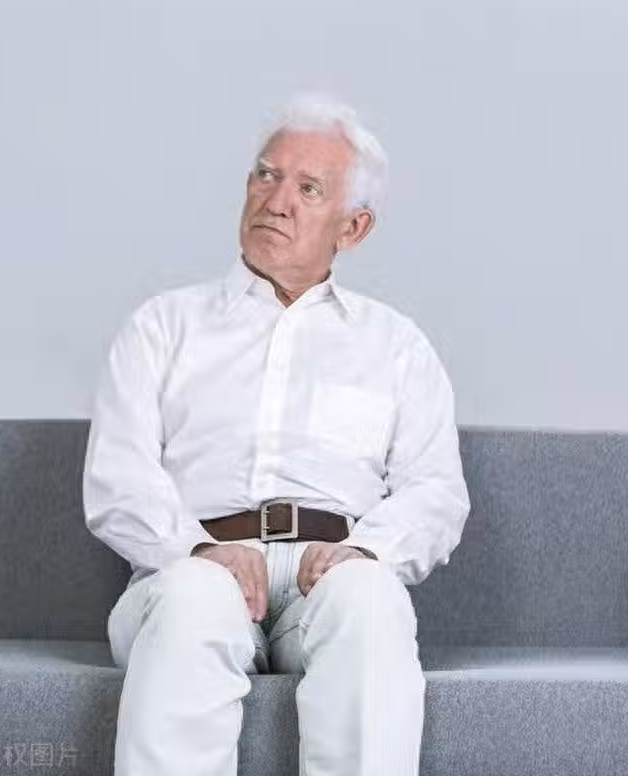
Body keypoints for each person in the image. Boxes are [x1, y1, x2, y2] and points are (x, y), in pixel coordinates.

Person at [84, 95, 470, 776]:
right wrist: (199, 549)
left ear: (354, 227)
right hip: (190, 564)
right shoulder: (163, 327)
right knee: (197, 597)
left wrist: (365, 550)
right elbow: (119, 478)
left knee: (371, 597)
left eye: (308, 188)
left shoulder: (396, 346)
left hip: (327, 571)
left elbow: (436, 492)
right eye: (266, 175)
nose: (278, 199)